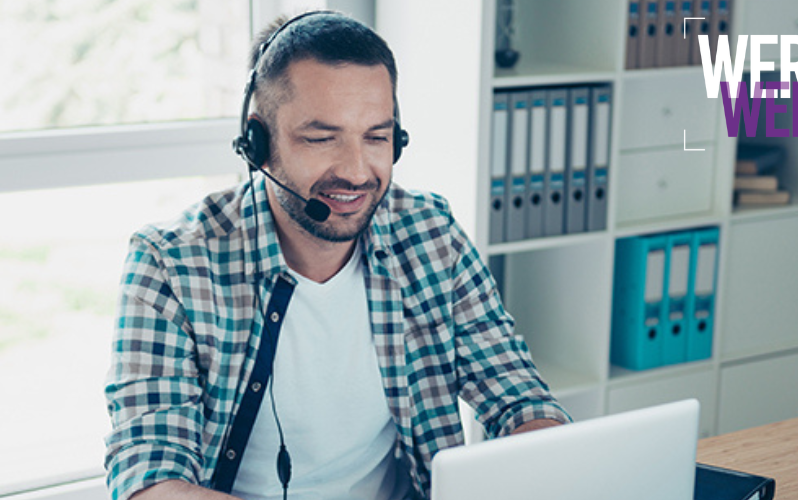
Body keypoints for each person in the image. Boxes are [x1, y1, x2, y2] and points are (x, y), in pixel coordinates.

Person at [104, 11, 571, 500]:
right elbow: (150, 478)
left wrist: (540, 456)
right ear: (257, 142)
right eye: (322, 138)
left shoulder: (431, 234)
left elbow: (518, 397)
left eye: (376, 137)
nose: (355, 171)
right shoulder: (171, 264)